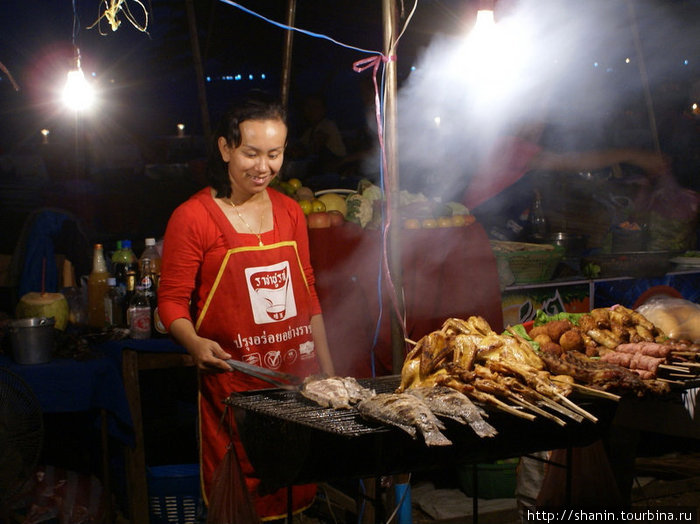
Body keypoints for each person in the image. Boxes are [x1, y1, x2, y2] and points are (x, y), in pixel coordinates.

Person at [157, 91, 335, 521]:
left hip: (297, 389)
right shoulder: (193, 217)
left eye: (274, 155)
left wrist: (329, 371)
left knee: (296, 496)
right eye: (251, 153)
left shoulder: (292, 212)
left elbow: (307, 291)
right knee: (242, 507)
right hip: (234, 394)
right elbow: (171, 302)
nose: (263, 167)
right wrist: (194, 344)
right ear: (225, 148)